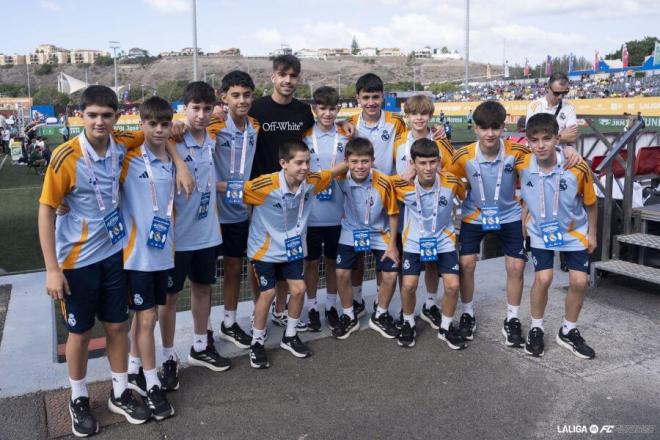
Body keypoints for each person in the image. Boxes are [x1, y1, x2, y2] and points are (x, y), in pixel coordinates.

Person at [38, 85, 150, 436]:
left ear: (116, 116)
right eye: (92, 115)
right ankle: (78, 396)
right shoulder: (65, 157)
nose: (99, 121)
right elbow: (45, 211)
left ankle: (119, 391)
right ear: (80, 116)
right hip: (75, 261)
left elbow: (157, 130)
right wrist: (52, 270)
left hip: (112, 256)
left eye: (106, 115)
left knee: (117, 325)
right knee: (81, 332)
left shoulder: (121, 143)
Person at [234, 140, 347, 368]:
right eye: (299, 163)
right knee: (268, 293)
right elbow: (232, 188)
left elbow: (336, 170)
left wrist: (355, 157)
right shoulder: (265, 185)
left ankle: (290, 336)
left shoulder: (312, 181)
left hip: (292, 248)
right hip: (264, 250)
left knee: (299, 289)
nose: (305, 167)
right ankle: (257, 342)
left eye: (307, 161)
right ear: (283, 163)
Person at [160, 81, 229, 388]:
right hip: (176, 237)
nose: (201, 115)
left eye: (206, 108)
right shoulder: (172, 135)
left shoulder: (214, 132)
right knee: (169, 298)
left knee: (203, 290)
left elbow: (232, 115)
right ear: (183, 109)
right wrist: (179, 162)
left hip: (207, 232)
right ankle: (166, 357)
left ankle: (200, 346)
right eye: (194, 108)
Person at [448, 100, 529, 348]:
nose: (490, 134)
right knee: (466, 263)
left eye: (495, 128)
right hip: (474, 215)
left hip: (509, 215)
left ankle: (512, 319)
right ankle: (468, 312)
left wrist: (569, 151)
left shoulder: (517, 152)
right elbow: (446, 178)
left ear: (503, 127)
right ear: (475, 129)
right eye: (484, 128)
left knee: (516, 266)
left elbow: (541, 167)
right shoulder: (463, 155)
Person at [516, 113, 597, 359]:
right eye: (534, 140)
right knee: (543, 278)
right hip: (541, 232)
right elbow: (492, 145)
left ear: (557, 139)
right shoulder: (521, 164)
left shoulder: (576, 165)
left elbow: (591, 203)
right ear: (527, 141)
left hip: (574, 231)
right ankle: (536, 329)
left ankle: (568, 330)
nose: (540, 145)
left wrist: (592, 234)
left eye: (547, 139)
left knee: (580, 282)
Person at [248, 55, 316, 329]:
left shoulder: (302, 111)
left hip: (291, 193)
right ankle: (259, 308)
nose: (288, 81)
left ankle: (280, 308)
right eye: (282, 75)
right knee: (260, 255)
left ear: (298, 79)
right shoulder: (257, 108)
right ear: (273, 77)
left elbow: (316, 136)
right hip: (261, 193)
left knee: (289, 249)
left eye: (293, 76)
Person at [122, 96, 176, 420]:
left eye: (164, 124)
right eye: (152, 123)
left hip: (164, 254)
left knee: (149, 316)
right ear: (141, 124)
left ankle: (133, 369)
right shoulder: (127, 160)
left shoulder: (172, 161)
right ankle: (152, 383)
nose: (158, 129)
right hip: (137, 256)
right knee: (147, 319)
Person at [391, 138, 466, 349]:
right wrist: (401, 175)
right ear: (412, 164)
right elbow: (381, 183)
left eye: (433, 162)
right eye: (422, 163)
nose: (428, 168)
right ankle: (408, 323)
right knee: (408, 285)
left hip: (444, 240)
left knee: (452, 286)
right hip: (414, 241)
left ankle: (446, 327)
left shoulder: (450, 181)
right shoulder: (402, 184)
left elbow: (464, 194)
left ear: (439, 161)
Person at [345, 73, 407, 316]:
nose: (371, 102)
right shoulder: (349, 124)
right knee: (359, 252)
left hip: (387, 194)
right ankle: (358, 298)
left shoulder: (396, 122)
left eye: (375, 97)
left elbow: (409, 144)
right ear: (358, 99)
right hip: (357, 196)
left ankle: (382, 300)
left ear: (383, 97)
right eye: (366, 97)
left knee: (388, 250)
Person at [394, 95, 455, 330]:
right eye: (414, 114)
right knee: (407, 263)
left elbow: (450, 174)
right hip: (408, 212)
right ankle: (406, 310)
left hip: (436, 215)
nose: (419, 118)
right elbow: (392, 176)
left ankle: (430, 304)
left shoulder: (440, 140)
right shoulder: (399, 142)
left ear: (430, 115)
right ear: (407, 117)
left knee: (432, 263)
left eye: (424, 114)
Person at [332, 137, 400, 340]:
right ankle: (348, 314)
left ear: (372, 160)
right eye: (354, 161)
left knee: (390, 274)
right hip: (352, 230)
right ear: (347, 161)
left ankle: (380, 314)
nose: (359, 166)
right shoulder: (341, 177)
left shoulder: (383, 181)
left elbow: (393, 213)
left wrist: (392, 245)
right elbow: (318, 178)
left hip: (380, 231)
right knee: (341, 272)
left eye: (364, 161)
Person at [210, 70, 260, 349]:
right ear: (224, 97)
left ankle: (229, 322)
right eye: (235, 95)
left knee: (233, 267)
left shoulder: (255, 126)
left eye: (246, 95)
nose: (242, 100)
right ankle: (201, 332)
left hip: (238, 210)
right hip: (210, 213)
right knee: (203, 278)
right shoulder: (213, 126)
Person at [301, 86, 350, 332]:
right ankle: (311, 307)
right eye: (323, 108)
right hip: (310, 215)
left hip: (337, 214)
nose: (328, 113)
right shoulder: (304, 137)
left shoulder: (346, 136)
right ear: (314, 109)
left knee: (332, 262)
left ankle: (331, 305)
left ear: (338, 109)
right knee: (310, 263)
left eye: (332, 108)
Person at [526, 72, 578, 151]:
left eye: (564, 93)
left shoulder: (569, 108)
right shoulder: (534, 106)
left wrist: (544, 137)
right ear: (547, 88)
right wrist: (561, 136)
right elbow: (531, 135)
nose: (560, 97)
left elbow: (573, 136)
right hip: (538, 153)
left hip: (560, 155)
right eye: (556, 93)